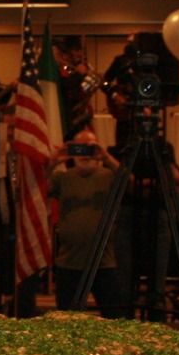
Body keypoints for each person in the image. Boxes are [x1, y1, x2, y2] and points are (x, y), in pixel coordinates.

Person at [49, 132, 118, 313]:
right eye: (80, 148)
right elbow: (37, 187)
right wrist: (55, 160)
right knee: (66, 316)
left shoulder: (109, 175)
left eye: (90, 147)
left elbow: (130, 182)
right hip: (69, 262)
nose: (85, 153)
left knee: (112, 316)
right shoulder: (63, 178)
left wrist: (106, 157)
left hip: (103, 262)